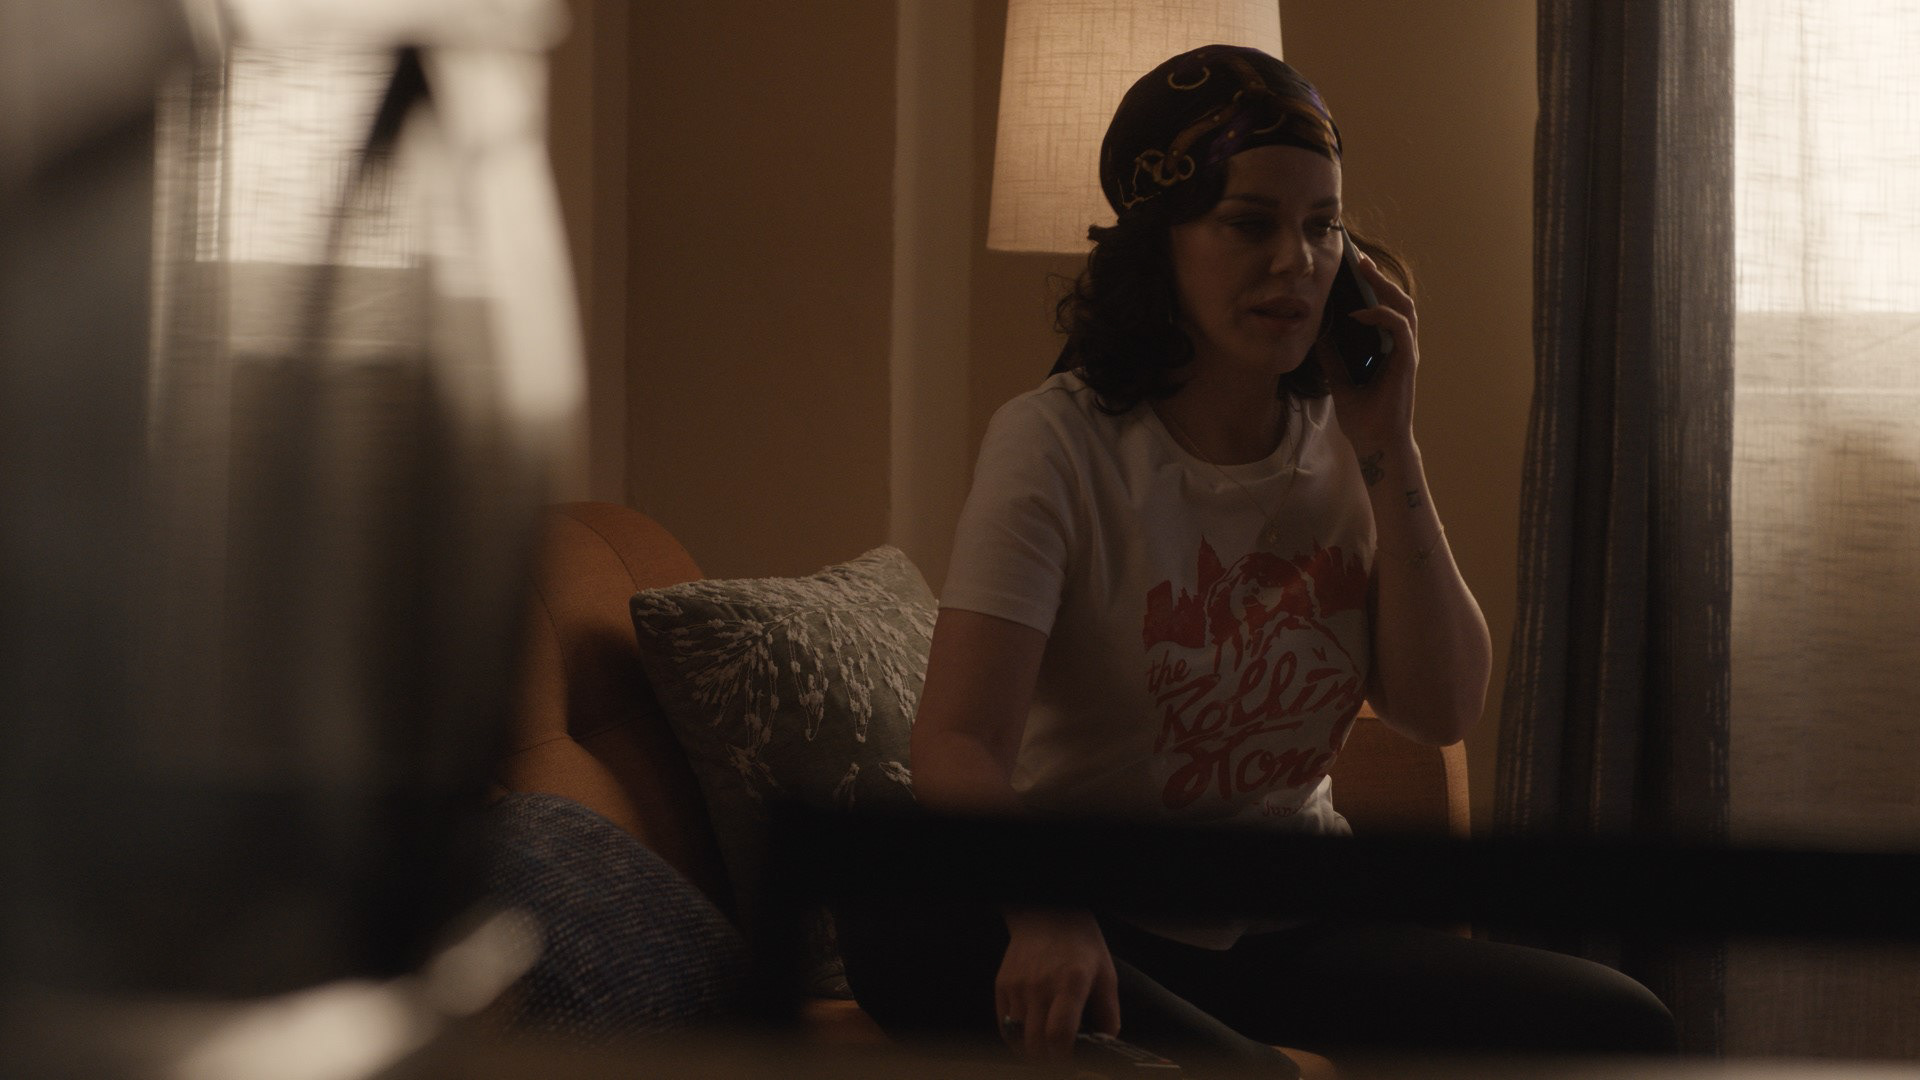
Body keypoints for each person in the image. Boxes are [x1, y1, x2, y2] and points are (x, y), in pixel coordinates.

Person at [834, 45, 1677, 1074]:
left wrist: (1389, 442)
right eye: (1250, 223)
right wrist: (1048, 917)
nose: (1297, 261)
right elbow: (959, 740)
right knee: (899, 914)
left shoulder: (1350, 435)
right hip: (1108, 925)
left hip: (1304, 924)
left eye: (1323, 226)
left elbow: (1440, 707)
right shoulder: (1057, 443)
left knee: (1623, 1022)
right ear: (1160, 242)